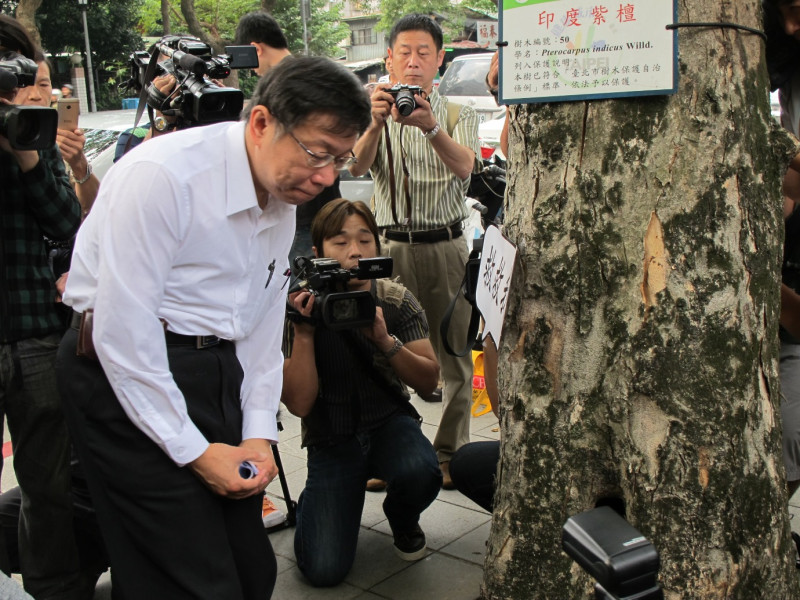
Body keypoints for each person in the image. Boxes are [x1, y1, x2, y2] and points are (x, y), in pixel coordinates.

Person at [56, 56, 372, 599]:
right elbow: (122, 335)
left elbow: (260, 323)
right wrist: (197, 453)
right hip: (125, 374)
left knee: (252, 571)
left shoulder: (282, 191)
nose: (326, 177)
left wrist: (256, 434)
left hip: (216, 369)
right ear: (262, 123)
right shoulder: (164, 177)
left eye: (340, 160)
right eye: (318, 152)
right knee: (189, 576)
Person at [350, 13, 481, 488]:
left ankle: (449, 456)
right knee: (384, 352)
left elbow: (467, 167)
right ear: (388, 59)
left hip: (446, 245)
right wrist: (374, 123)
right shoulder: (375, 113)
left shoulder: (455, 113)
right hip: (388, 248)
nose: (413, 62)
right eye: (403, 52)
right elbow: (358, 166)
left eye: (424, 52)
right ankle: (393, 453)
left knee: (453, 355)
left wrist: (429, 127)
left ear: (440, 60)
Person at [283, 198, 441, 586]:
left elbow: (428, 381)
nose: (355, 251)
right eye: (340, 242)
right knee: (322, 569)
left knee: (421, 471)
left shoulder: (395, 300)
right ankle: (318, 503)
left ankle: (402, 516)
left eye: (365, 240)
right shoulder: (300, 308)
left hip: (389, 424)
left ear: (378, 246)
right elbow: (301, 404)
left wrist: (385, 340)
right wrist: (303, 332)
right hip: (332, 437)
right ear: (317, 252)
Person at [0, 15, 86, 599]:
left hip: (33, 333)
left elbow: (67, 223)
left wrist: (30, 154)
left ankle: (56, 590)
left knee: (48, 486)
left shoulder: (35, 134)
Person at [235, 10, 341, 264]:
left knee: (293, 297)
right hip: (327, 210)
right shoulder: (320, 76)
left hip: (298, 216)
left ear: (255, 49)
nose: (251, 71)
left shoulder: (277, 88)